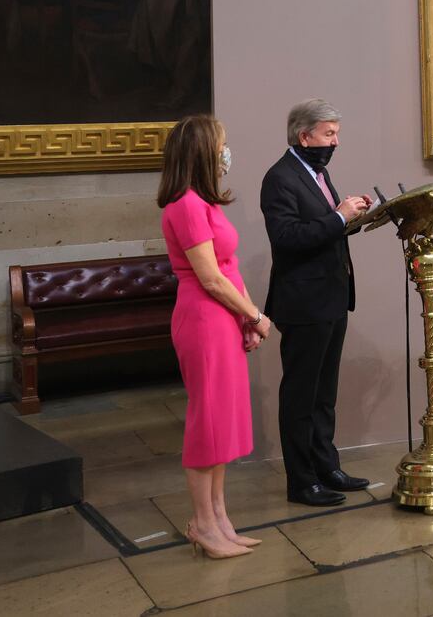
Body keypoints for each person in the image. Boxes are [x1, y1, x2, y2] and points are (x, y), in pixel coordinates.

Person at [158, 114, 269, 560]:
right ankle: (203, 524)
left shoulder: (206, 202)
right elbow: (209, 279)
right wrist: (257, 316)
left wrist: (245, 319)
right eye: (222, 143)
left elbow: (229, 267)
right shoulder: (184, 205)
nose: (227, 151)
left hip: (223, 319)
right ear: (203, 151)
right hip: (203, 320)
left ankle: (220, 518)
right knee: (208, 423)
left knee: (222, 422)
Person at [261, 99, 373, 506]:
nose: (335, 142)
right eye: (328, 134)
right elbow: (288, 238)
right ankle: (302, 480)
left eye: (336, 133)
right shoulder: (280, 178)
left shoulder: (317, 171)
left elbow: (324, 230)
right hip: (304, 302)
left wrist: (353, 217)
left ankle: (328, 467)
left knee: (325, 393)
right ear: (303, 135)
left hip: (332, 296)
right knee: (301, 395)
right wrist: (339, 217)